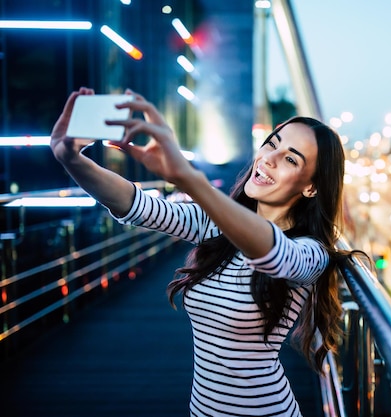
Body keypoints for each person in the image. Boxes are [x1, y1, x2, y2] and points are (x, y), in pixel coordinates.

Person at [50, 87, 365, 417]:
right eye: (272, 143)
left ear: (311, 186)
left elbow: (274, 253)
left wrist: (187, 177)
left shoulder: (311, 253)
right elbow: (135, 204)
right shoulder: (214, 226)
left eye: (289, 159)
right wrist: (70, 158)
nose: (269, 158)